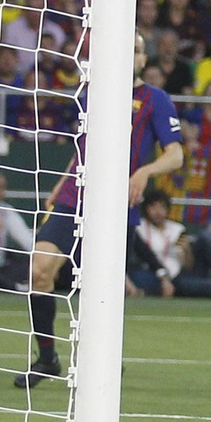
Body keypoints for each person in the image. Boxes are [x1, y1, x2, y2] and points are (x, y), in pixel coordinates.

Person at [20, 31, 184, 388]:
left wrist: (143, 171)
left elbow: (176, 154)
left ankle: (104, 360)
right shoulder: (92, 92)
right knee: (39, 269)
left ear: (144, 59)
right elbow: (83, 148)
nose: (131, 54)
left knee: (100, 288)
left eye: (137, 49)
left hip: (114, 203)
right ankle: (46, 358)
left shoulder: (155, 100)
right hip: (73, 196)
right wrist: (63, 181)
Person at [131, 191, 211, 299]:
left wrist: (186, 252)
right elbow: (144, 255)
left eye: (162, 207)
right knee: (138, 278)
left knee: (208, 285)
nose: (158, 212)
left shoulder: (177, 229)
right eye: (153, 207)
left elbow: (188, 265)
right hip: (149, 274)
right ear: (146, 208)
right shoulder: (139, 228)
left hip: (177, 276)